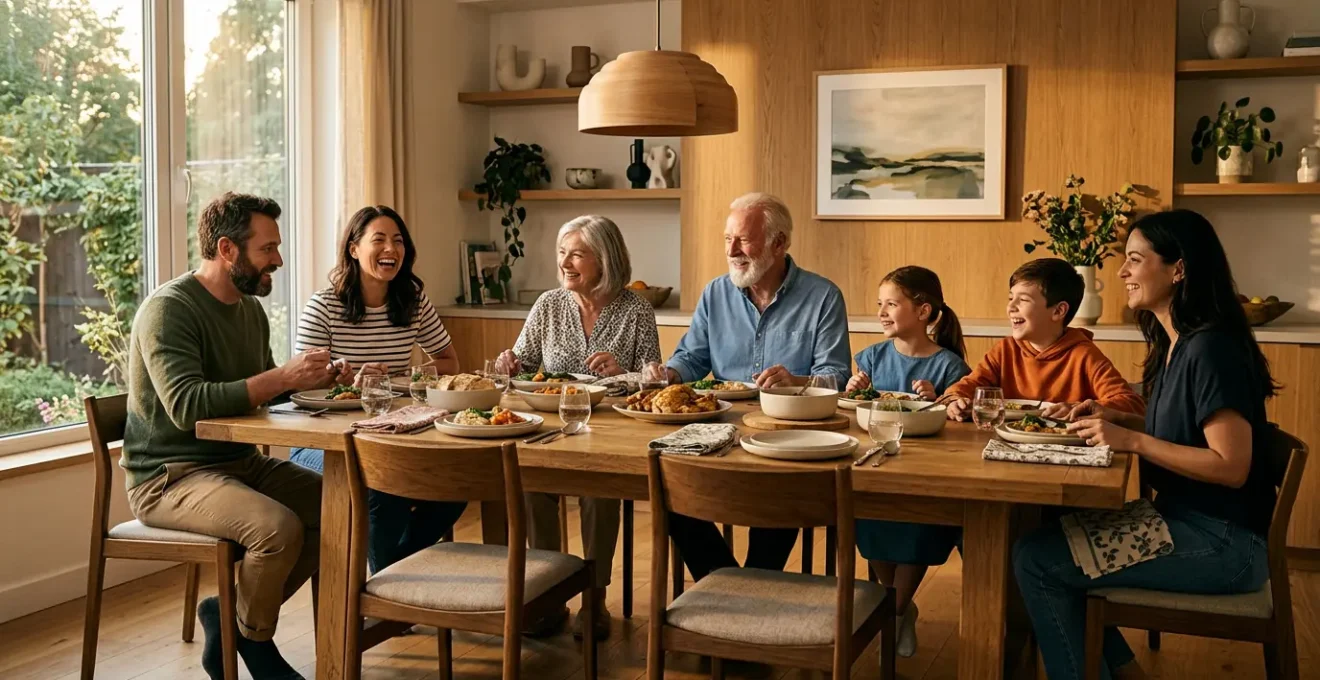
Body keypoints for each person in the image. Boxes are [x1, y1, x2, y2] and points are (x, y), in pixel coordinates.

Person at [1013, 210, 1279, 680]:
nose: (1122, 272)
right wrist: (1116, 416)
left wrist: (1132, 439)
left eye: (1135, 260)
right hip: (1188, 521)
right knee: (1041, 543)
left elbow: (1230, 465)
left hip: (1224, 544)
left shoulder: (1211, 349)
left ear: (1178, 269)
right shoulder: (1178, 342)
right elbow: (1185, 431)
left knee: (1037, 560)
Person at [123, 192, 345, 680]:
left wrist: (318, 380)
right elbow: (186, 406)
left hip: (238, 464)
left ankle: (229, 618)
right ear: (227, 249)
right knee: (277, 529)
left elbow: (264, 392)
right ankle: (254, 642)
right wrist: (281, 377)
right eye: (267, 249)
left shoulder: (249, 311)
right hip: (169, 477)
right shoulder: (169, 310)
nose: (278, 260)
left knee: (338, 510)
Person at [647, 192, 852, 581]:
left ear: (779, 243)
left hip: (786, 436)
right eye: (728, 239)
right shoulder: (715, 293)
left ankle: (746, 586)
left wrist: (797, 382)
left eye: (743, 240)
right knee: (670, 487)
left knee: (777, 492)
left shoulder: (823, 296)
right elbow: (692, 357)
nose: (732, 251)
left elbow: (836, 376)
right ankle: (730, 584)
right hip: (717, 431)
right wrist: (669, 374)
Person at [495, 215, 661, 639]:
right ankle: (548, 594)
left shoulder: (636, 309)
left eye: (577, 255)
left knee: (599, 492)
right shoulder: (548, 305)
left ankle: (595, 597)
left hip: (609, 428)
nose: (565, 263)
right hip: (548, 426)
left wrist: (623, 372)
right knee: (532, 485)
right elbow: (523, 365)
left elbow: (653, 380)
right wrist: (509, 364)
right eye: (562, 253)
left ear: (605, 259)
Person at [289, 205, 466, 575]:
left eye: (398, 241)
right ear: (354, 249)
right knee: (385, 486)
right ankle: (389, 587)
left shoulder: (412, 301)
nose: (391, 249)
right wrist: (347, 380)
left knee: (457, 482)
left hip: (390, 434)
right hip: (321, 441)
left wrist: (403, 375)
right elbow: (300, 380)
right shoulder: (324, 306)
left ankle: (393, 575)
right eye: (379, 240)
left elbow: (449, 362)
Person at [845, 266, 970, 659]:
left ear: (923, 311)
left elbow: (960, 421)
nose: (881, 312)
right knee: (868, 523)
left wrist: (938, 398)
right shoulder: (870, 358)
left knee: (919, 529)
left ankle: (894, 613)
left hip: (928, 474)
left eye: (891, 304)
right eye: (879, 304)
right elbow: (857, 411)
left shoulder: (950, 366)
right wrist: (855, 390)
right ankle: (898, 609)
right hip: (876, 467)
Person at [942, 258, 1144, 420]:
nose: (1011, 307)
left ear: (1058, 311)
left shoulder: (1084, 355)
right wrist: (955, 400)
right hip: (1006, 442)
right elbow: (965, 387)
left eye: (1023, 300)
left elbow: (1131, 403)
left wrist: (1077, 408)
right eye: (1011, 298)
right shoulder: (1005, 350)